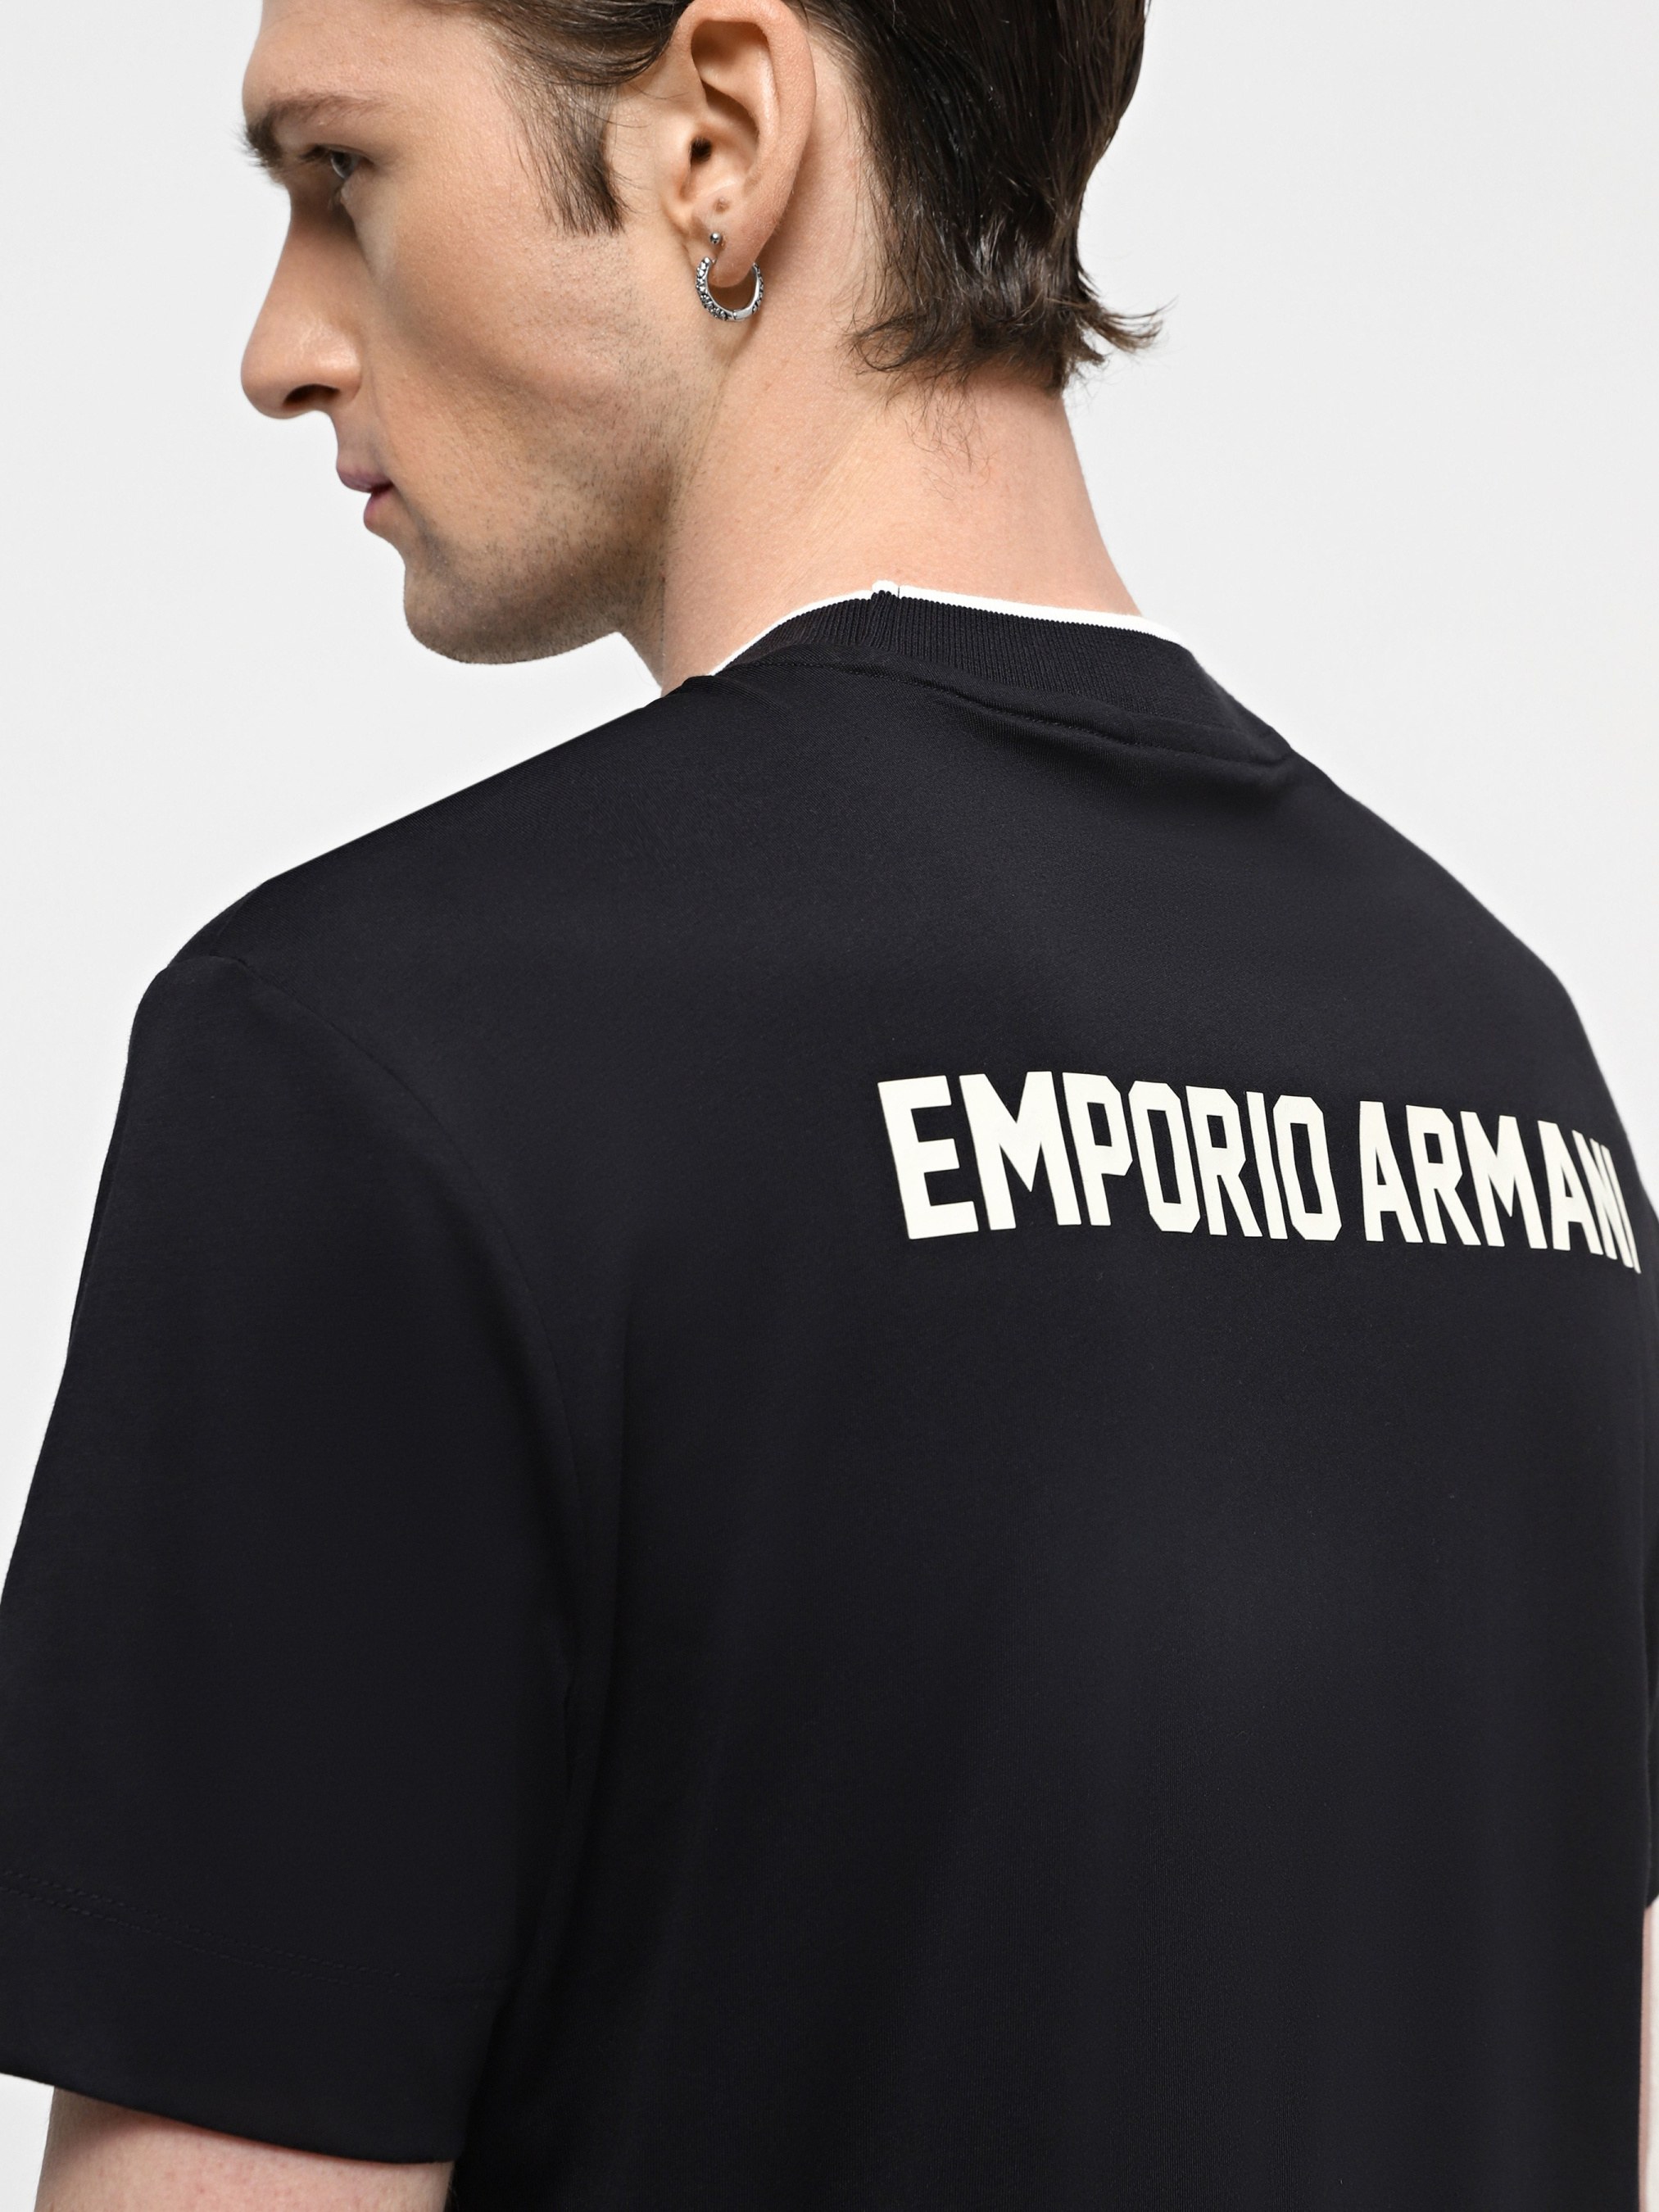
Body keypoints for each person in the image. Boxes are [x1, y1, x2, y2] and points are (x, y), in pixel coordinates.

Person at [1, 0, 1654, 2203]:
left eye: (343, 177)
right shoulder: (1519, 1083)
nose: (280, 348)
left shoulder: (368, 1059)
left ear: (720, 137)